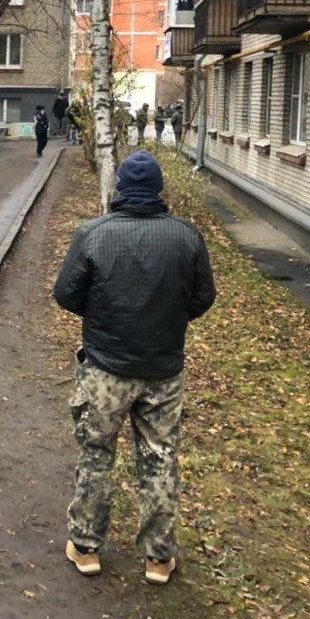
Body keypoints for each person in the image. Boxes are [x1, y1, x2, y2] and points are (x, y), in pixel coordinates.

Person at [52, 150, 216, 585]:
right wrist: (169, 319)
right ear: (159, 191)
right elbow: (203, 297)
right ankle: (159, 558)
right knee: (160, 460)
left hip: (106, 369)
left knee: (96, 454)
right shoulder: (186, 236)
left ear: (120, 189)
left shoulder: (94, 234)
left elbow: (65, 293)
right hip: (164, 371)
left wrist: (103, 317)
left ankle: (85, 547)